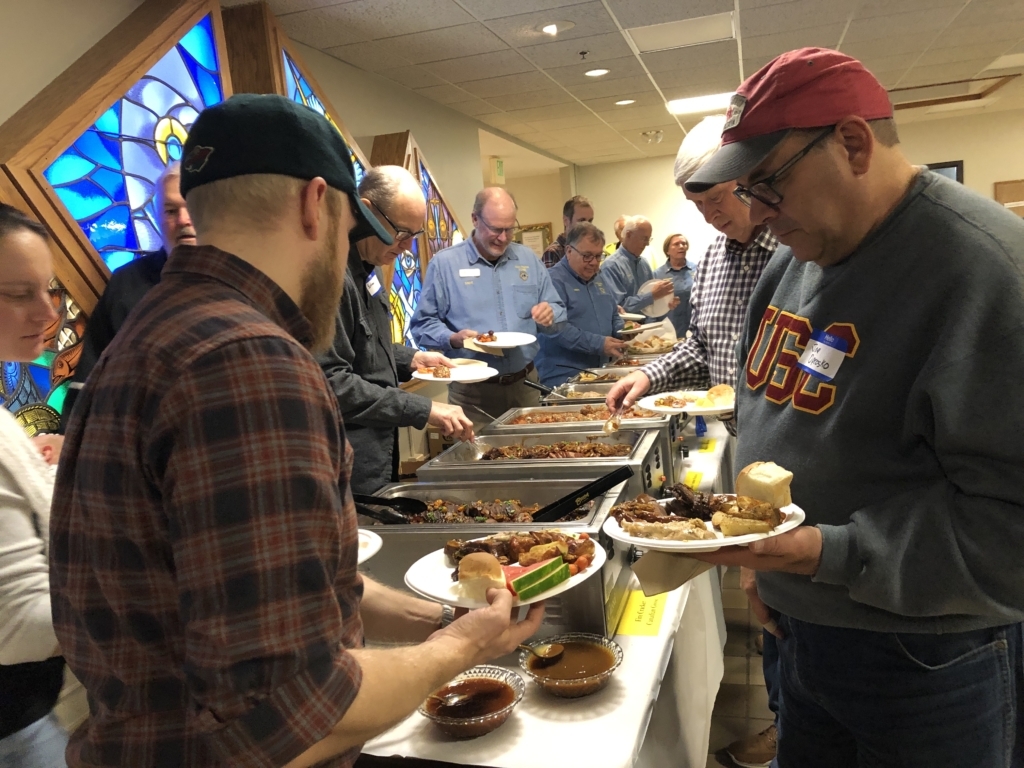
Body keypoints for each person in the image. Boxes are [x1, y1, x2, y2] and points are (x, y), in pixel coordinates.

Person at [49, 94, 543, 768]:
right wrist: (461, 652)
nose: (347, 257)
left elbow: (292, 582)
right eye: (349, 232)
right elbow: (291, 718)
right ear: (318, 204)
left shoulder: (155, 329)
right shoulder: (250, 360)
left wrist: (449, 622)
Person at [683, 48, 1024, 767]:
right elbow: (764, 406)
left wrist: (827, 554)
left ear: (853, 143)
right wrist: (765, 567)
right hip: (802, 627)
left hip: (923, 659)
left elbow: (1010, 522)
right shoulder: (794, 255)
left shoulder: (984, 271)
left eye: (768, 185)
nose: (758, 214)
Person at [317, 165, 473, 494]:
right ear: (367, 210)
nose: (405, 247)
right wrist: (423, 408)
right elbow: (332, 382)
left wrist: (412, 358)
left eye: (412, 238)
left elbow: (366, 345)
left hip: (378, 455)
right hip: (346, 464)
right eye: (401, 233)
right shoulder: (331, 277)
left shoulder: (370, 268)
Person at [0, 204, 69, 767]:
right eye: (18, 293)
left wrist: (44, 466)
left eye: (48, 291)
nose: (47, 313)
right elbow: (18, 626)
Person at [410, 187, 566, 428]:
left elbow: (558, 311)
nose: (503, 238)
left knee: (535, 459)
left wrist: (551, 314)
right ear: (475, 219)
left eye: (510, 228)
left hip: (525, 387)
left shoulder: (528, 260)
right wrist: (453, 338)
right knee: (480, 463)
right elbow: (422, 325)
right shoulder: (445, 265)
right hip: (472, 396)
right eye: (495, 229)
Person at [61, 162, 195, 429]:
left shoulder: (247, 277)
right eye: (171, 211)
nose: (182, 220)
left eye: (191, 206)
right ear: (157, 219)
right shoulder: (127, 285)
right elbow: (91, 377)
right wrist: (69, 442)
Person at [536, 222, 626, 386]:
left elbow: (612, 312)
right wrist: (599, 344)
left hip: (601, 371)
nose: (593, 262)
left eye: (598, 256)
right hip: (564, 376)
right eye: (587, 256)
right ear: (569, 251)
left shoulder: (600, 277)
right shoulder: (552, 280)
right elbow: (557, 329)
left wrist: (622, 330)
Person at [599, 215, 676, 316]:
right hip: (626, 329)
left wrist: (665, 303)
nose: (647, 244)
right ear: (629, 235)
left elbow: (651, 305)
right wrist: (652, 295)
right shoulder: (610, 266)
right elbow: (619, 307)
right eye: (644, 239)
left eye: (649, 239)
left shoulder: (644, 264)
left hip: (648, 327)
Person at [653, 233, 697, 336]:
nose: (681, 247)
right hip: (669, 330)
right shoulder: (657, 274)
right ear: (667, 250)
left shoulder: (697, 269)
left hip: (694, 328)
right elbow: (652, 306)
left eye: (684, 243)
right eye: (676, 244)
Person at [542, 195, 594, 268]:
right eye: (582, 220)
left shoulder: (591, 249)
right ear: (566, 221)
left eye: (590, 221)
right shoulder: (553, 253)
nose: (588, 226)